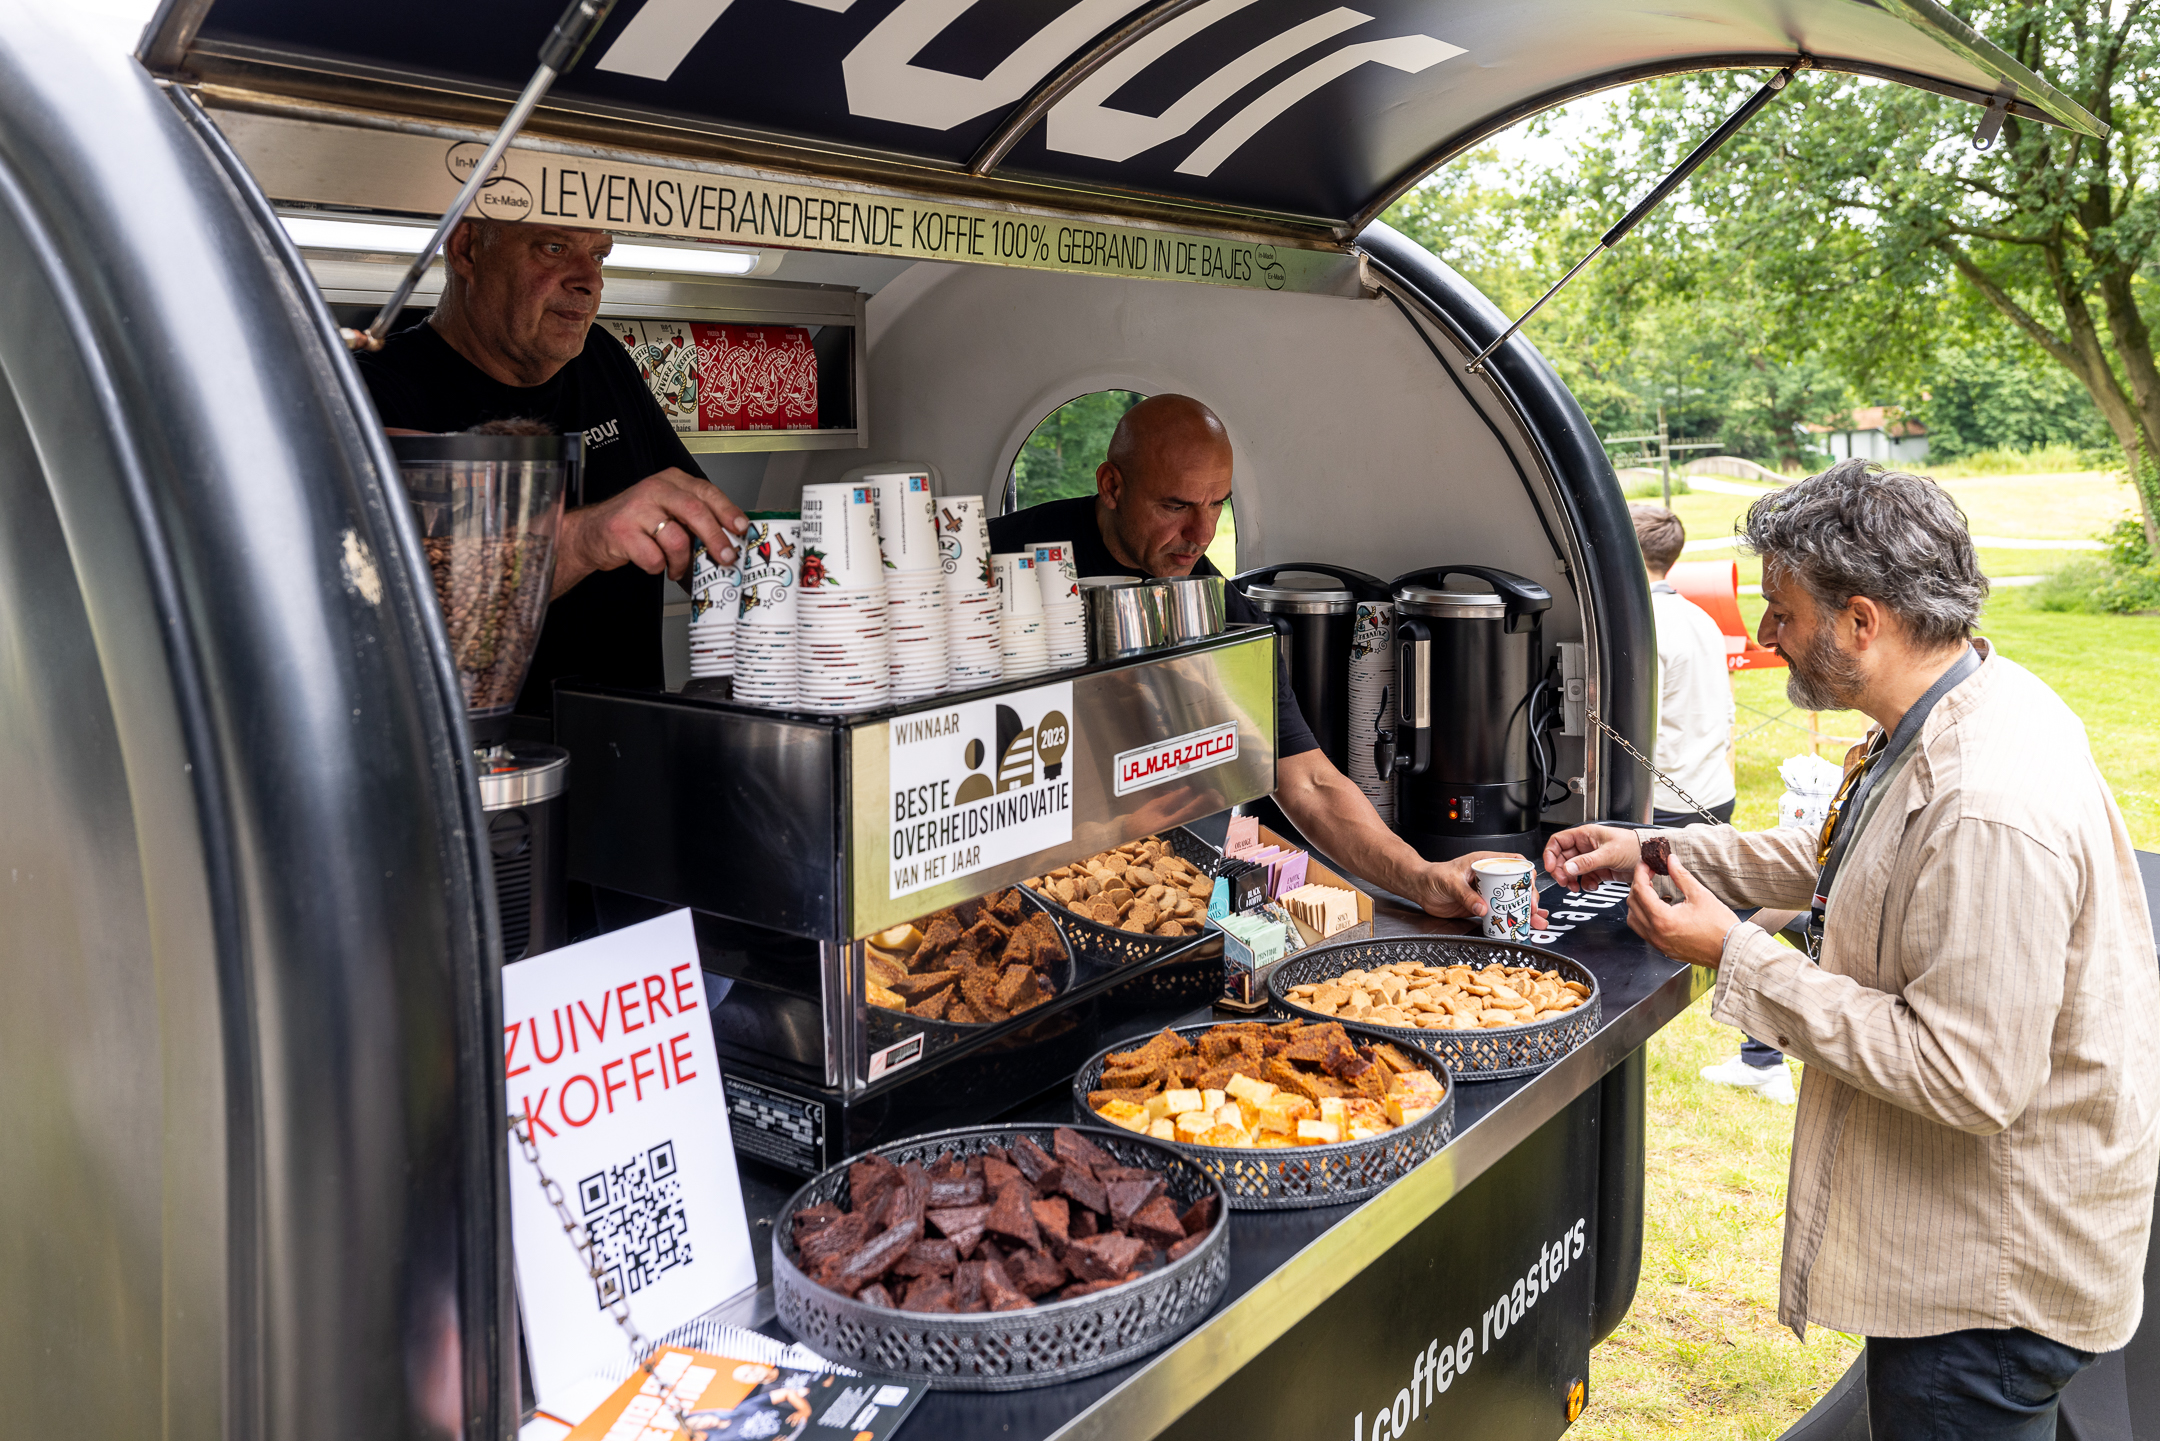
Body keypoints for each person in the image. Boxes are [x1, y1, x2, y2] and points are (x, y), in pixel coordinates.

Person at [1546, 460, 2160, 1438]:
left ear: (1862, 621)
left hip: (1987, 1290)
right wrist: (1654, 845)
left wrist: (1736, 953)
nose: (1763, 636)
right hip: (1979, 1262)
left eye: (1782, 611)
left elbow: (1968, 1073)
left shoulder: (1988, 802)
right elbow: (1844, 855)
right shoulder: (1950, 705)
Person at [989, 394, 1542, 925]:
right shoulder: (994, 568)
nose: (1200, 536)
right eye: (1175, 506)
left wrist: (1422, 877)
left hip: (1132, 888)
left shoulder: (1225, 614)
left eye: (1217, 506)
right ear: (1112, 486)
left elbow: (1306, 782)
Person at [357, 218, 747, 717]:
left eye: (599, 255)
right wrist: (586, 537)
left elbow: (701, 539)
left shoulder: (602, 357)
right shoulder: (376, 394)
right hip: (480, 771)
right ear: (467, 252)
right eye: (554, 248)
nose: (589, 279)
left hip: (630, 753)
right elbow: (398, 613)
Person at [1630, 503, 1792, 1103]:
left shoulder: (1640, 624)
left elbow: (1632, 730)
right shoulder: (1696, 615)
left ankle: (1765, 1054)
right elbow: (1723, 713)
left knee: (1717, 924)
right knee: (1733, 912)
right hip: (1708, 792)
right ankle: (1762, 1054)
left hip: (1665, 800)